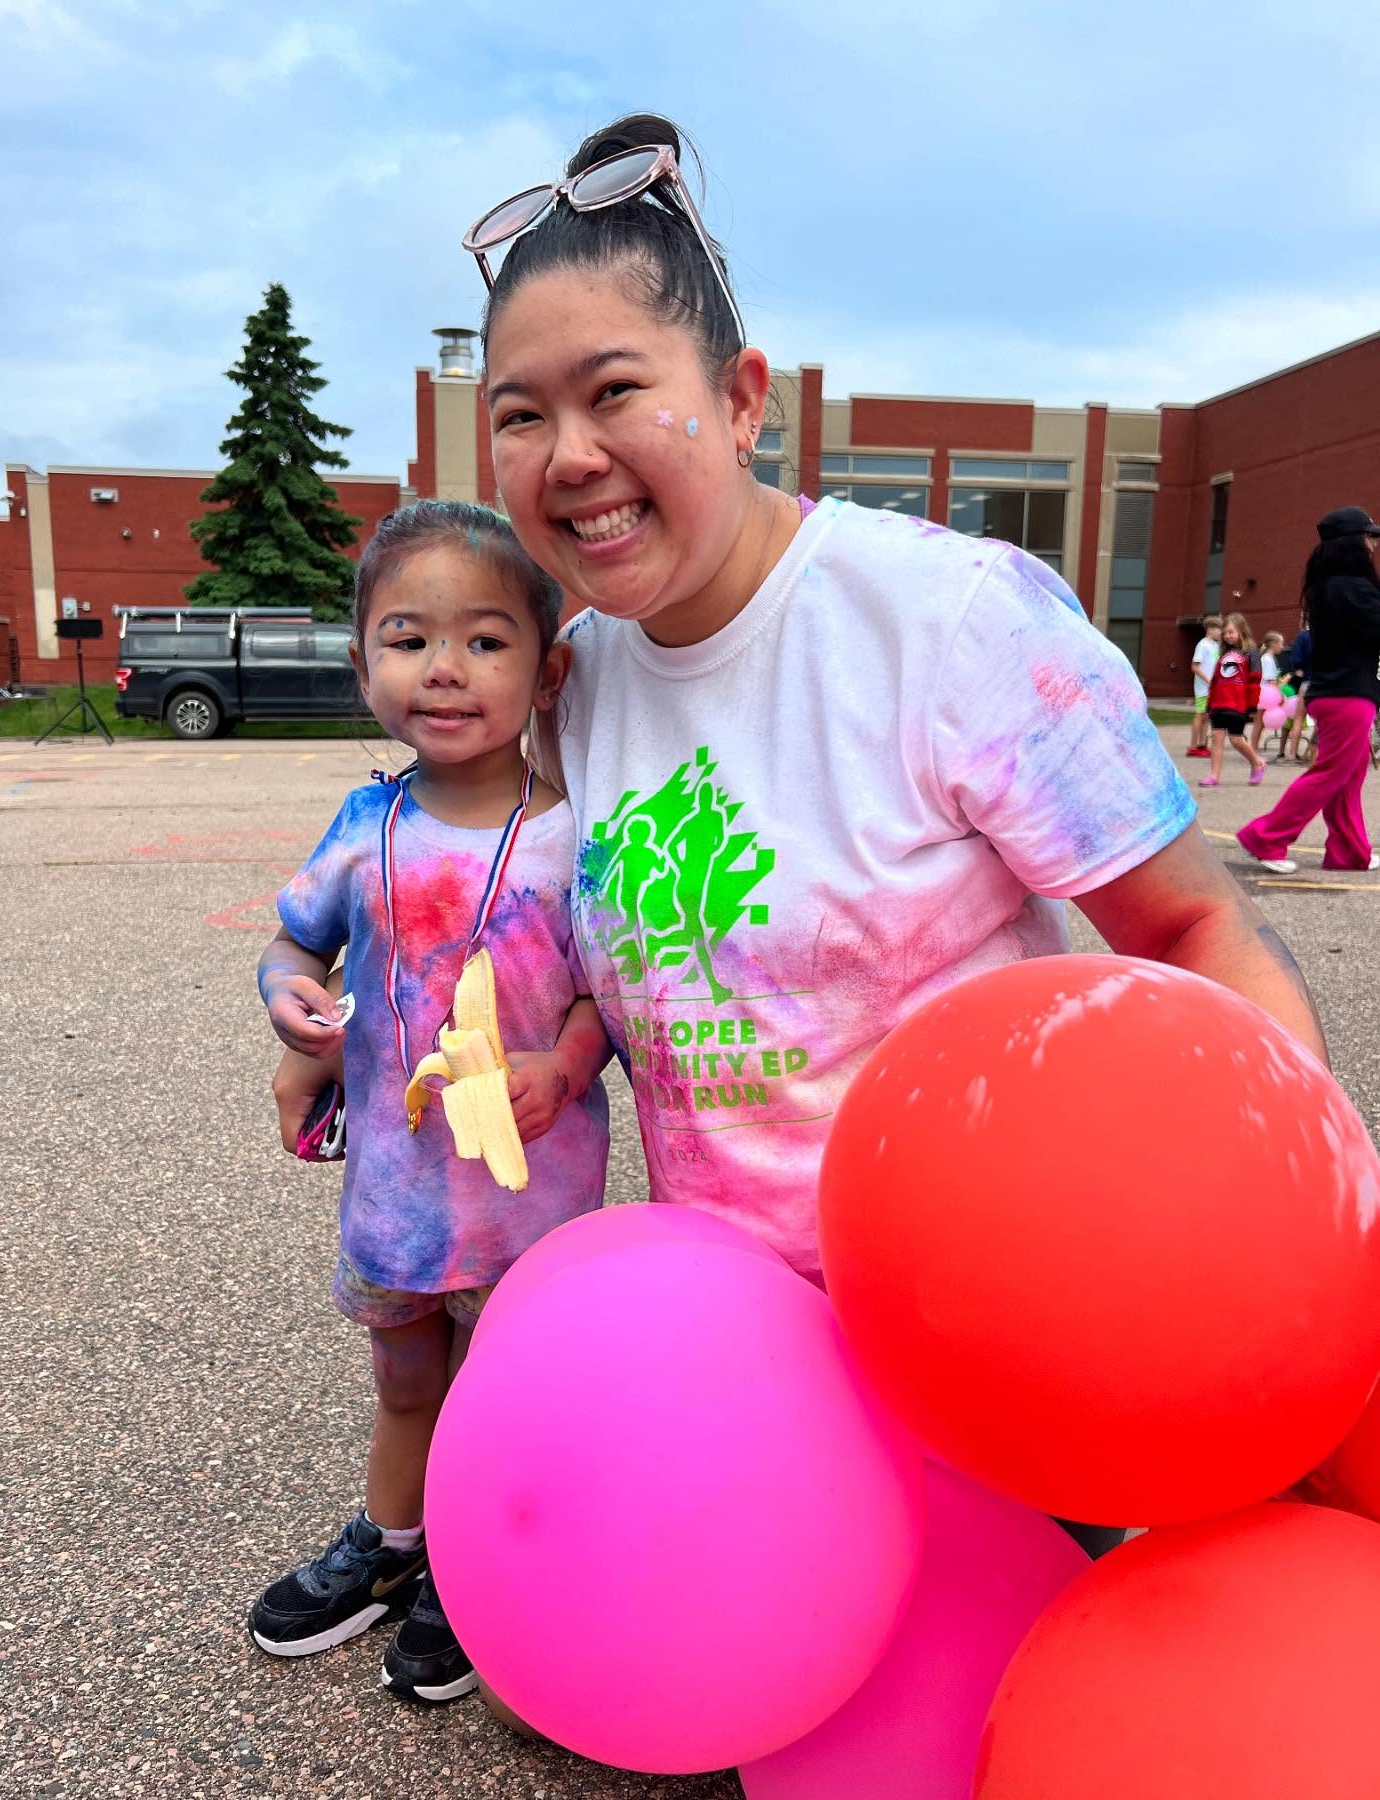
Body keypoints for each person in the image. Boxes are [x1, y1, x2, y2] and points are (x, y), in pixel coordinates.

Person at [273, 101, 1330, 1642]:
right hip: (749, 1373)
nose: (571, 458)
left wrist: (1284, 1262)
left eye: (616, 390)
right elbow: (465, 890)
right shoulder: (575, 674)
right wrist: (342, 1042)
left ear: (742, 393)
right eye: (518, 413)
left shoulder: (954, 625)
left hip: (1014, 1332)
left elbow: (1190, 928)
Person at [250, 502, 610, 1701]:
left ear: (548, 670)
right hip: (397, 1205)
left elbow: (602, 1001)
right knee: (405, 1384)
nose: (444, 669)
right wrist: (294, 1010)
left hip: (526, 1209)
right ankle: (392, 1544)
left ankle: (474, 1567)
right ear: (365, 668)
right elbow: (293, 951)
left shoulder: (576, 843)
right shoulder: (368, 826)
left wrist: (559, 1068)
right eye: (408, 640)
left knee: (506, 1396)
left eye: (486, 642)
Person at [1237, 507, 1380, 874]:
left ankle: (1350, 852)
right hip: (1349, 695)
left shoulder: (1328, 587)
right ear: (1351, 543)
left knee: (1349, 773)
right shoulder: (1354, 589)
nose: (1372, 545)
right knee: (1332, 773)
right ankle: (1267, 837)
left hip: (1337, 692)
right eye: (1368, 537)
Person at [1199, 613, 1266, 787]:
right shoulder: (1223, 654)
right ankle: (1214, 776)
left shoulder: (1251, 652)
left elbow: (1255, 681)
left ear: (1242, 631)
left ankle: (1257, 763)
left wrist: (1252, 706)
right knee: (1217, 738)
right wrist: (1209, 704)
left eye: (1231, 632)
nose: (1228, 636)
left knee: (1236, 739)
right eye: (1225, 633)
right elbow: (1215, 680)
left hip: (1238, 705)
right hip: (1218, 704)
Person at [1276, 621, 1313, 763]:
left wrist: (1298, 667)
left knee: (1298, 718)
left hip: (1307, 683)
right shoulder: (1327, 634)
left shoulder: (1302, 637)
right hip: (1325, 683)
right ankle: (1313, 754)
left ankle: (1292, 753)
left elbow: (1296, 659)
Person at [1188, 615, 1222, 758]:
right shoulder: (1202, 645)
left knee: (1206, 716)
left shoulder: (1215, 645)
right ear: (1209, 629)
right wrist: (1208, 680)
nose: (1221, 632)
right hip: (1203, 688)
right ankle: (1193, 746)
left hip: (1212, 688)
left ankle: (1202, 744)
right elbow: (1194, 667)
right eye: (1218, 629)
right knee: (1200, 714)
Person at [1249, 631, 1286, 753]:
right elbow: (1271, 682)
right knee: (1259, 723)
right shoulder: (1268, 659)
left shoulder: (1269, 658)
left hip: (1264, 695)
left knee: (1259, 723)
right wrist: (1280, 695)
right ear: (1273, 644)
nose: (1282, 646)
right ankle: (1253, 748)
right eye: (1280, 644)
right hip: (1264, 695)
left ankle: (1254, 747)